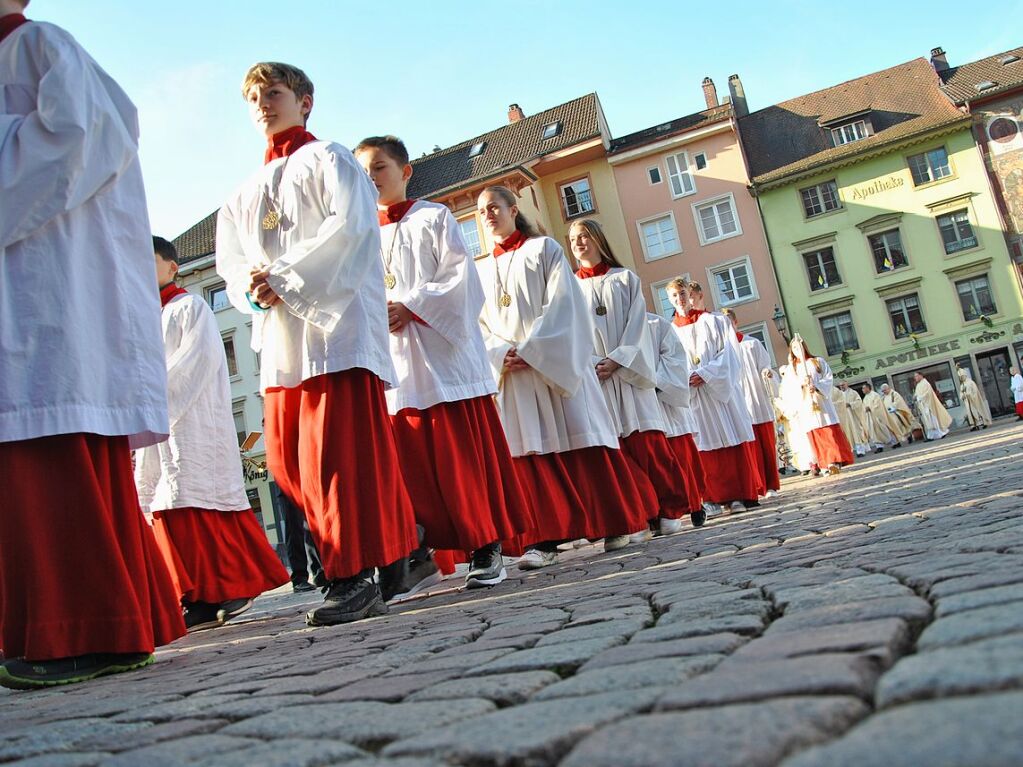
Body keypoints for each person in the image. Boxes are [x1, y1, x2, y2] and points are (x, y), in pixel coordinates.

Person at [0, 2, 185, 689]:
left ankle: (85, 627)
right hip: (22, 283)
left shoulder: (39, 43)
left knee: (47, 435)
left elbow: (80, 137)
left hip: (49, 286)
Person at [216, 62, 419, 626]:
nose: (263, 103)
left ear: (305, 101)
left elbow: (352, 229)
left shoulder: (330, 159)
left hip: (334, 331)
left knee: (334, 459)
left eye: (274, 93)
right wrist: (253, 290)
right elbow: (230, 264)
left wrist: (283, 278)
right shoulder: (241, 193)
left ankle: (351, 576)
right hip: (281, 339)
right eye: (253, 97)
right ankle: (401, 545)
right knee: (287, 463)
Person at [353, 136, 534, 591]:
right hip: (395, 367)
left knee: (462, 461)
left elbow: (460, 279)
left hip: (443, 360)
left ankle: (486, 547)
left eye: (379, 168)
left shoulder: (433, 217)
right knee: (411, 467)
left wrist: (411, 306)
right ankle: (421, 553)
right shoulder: (357, 236)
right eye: (362, 172)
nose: (370, 178)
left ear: (405, 170)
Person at [475, 186, 653, 568]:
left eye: (494, 207)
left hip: (556, 365)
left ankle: (614, 523)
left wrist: (533, 349)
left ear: (512, 208)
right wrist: (497, 352)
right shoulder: (479, 269)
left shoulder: (545, 250)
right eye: (481, 211)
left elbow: (565, 304)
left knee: (581, 439)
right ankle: (545, 540)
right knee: (531, 453)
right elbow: (477, 324)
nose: (488, 215)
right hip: (515, 374)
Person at [138, 238, 290, 630]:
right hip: (154, 430)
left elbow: (195, 363)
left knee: (197, 502)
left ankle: (234, 585)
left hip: (191, 424)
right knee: (165, 507)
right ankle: (197, 595)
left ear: (172, 267)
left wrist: (149, 397)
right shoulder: (138, 317)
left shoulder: (190, 307)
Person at [571, 219, 689, 536]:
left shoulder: (624, 279)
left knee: (647, 445)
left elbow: (638, 326)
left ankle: (669, 509)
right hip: (595, 376)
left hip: (629, 373)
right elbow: (570, 334)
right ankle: (637, 512)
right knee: (615, 452)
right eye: (572, 239)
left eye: (583, 236)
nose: (578, 243)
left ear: (598, 238)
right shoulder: (568, 288)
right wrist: (595, 362)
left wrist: (618, 359)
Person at [669, 279, 764, 512]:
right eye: (673, 296)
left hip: (720, 394)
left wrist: (706, 373)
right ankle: (711, 497)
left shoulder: (715, 321)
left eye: (682, 293)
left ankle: (739, 495)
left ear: (690, 294)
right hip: (693, 396)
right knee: (702, 444)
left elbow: (730, 353)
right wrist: (685, 379)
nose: (679, 299)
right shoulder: (668, 330)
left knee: (729, 436)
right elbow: (667, 361)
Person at [647, 312, 707, 527]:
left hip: (664, 399)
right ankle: (658, 512)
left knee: (682, 458)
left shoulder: (656, 323)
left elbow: (675, 359)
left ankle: (695, 505)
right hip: (639, 402)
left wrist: (654, 379)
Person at [722, 309, 780, 498]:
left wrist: (767, 374)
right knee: (748, 450)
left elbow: (765, 365)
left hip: (756, 402)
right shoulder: (722, 350)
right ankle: (756, 485)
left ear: (736, 322)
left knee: (765, 447)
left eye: (729, 323)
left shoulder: (751, 344)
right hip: (738, 405)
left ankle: (770, 484)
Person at [784, 335, 855, 474]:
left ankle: (833, 461)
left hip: (822, 404)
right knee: (816, 436)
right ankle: (823, 464)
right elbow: (789, 388)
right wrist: (802, 385)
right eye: (794, 348)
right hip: (806, 407)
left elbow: (828, 378)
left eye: (799, 347)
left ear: (804, 347)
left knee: (829, 433)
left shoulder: (817, 361)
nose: (797, 350)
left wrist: (816, 386)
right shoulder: (792, 369)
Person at [273, 482, 324, 592]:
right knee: (293, 526)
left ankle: (318, 571)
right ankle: (299, 578)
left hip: (302, 477)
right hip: (285, 481)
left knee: (311, 523)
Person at [913, 372, 952, 440]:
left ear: (921, 375)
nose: (915, 378)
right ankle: (931, 436)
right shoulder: (918, 385)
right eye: (915, 376)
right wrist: (915, 397)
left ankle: (941, 433)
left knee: (933, 421)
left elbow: (928, 393)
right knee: (928, 422)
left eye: (916, 376)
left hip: (928, 405)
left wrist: (919, 398)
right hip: (923, 406)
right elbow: (917, 394)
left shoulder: (926, 383)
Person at [861, 382, 900, 450]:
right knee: (874, 432)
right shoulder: (865, 398)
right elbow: (863, 407)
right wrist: (865, 409)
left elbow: (878, 405)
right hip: (871, 418)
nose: (862, 390)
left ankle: (895, 442)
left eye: (863, 388)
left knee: (886, 429)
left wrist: (870, 408)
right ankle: (879, 446)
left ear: (867, 388)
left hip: (878, 416)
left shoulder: (875, 395)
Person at [956, 366, 991, 431]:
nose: (961, 378)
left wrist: (969, 394)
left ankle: (983, 423)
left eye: (962, 376)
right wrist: (963, 395)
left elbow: (975, 391)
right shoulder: (962, 385)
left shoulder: (971, 382)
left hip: (974, 401)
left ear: (965, 375)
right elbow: (961, 393)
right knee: (970, 413)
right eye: (960, 377)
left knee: (977, 412)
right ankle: (974, 425)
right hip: (967, 401)